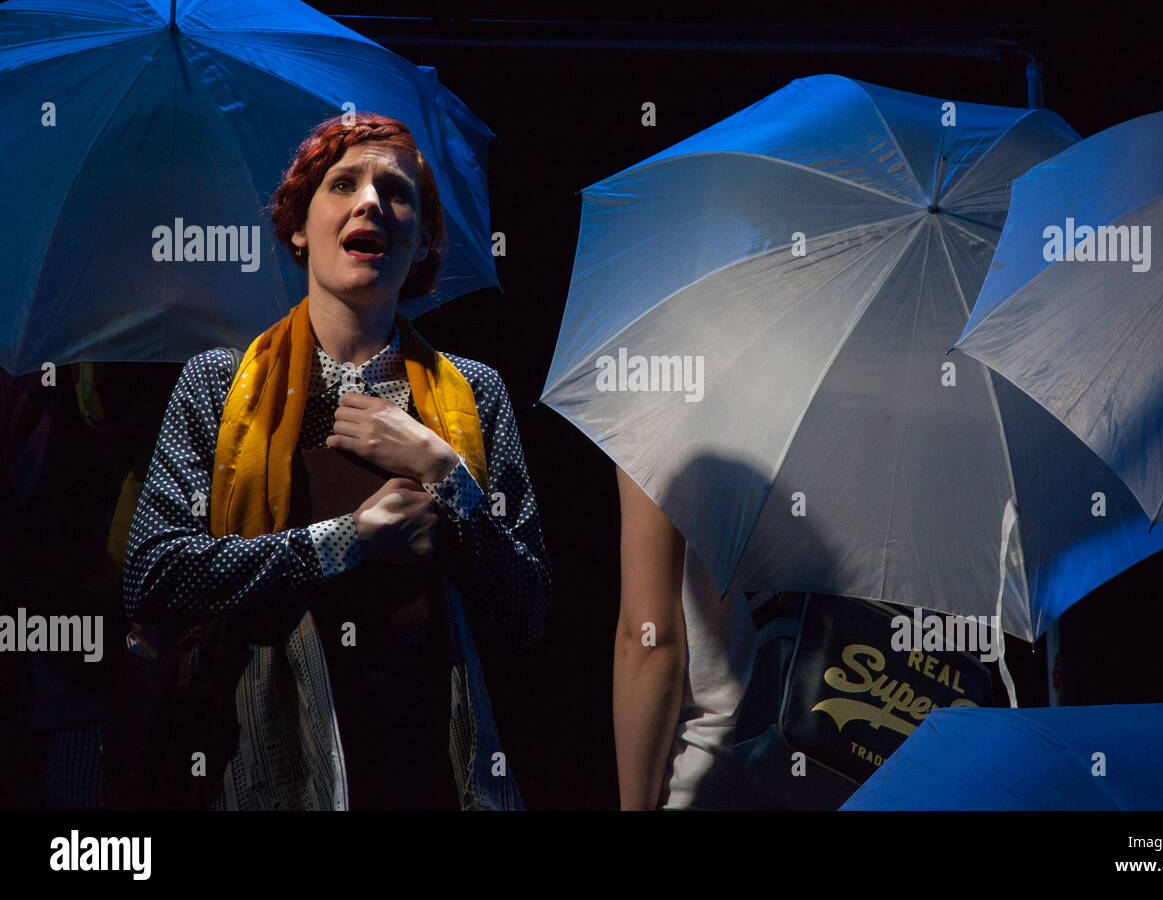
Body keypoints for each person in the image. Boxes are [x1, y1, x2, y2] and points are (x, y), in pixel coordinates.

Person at [121, 113, 549, 809]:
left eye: (397, 192)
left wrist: (448, 476)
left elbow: (524, 614)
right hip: (267, 763)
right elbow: (154, 574)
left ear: (424, 241)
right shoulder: (221, 384)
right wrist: (346, 542)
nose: (372, 202)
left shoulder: (476, 395)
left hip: (429, 767)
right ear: (298, 225)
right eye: (343, 183)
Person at [612, 466, 762, 810]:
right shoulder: (904, 420)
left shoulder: (658, 413)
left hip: (718, 770)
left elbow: (650, 639)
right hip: (869, 769)